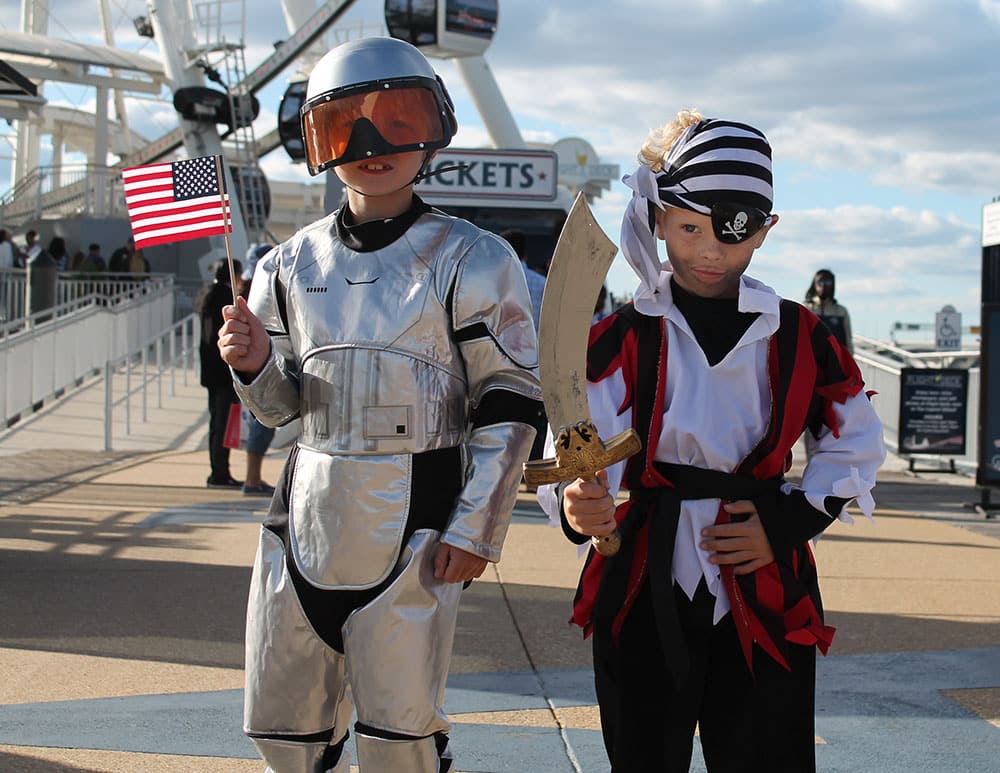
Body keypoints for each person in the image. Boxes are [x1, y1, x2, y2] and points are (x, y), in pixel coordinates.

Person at [216, 37, 541, 773]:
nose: (371, 144)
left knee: (400, 734)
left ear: (434, 127)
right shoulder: (286, 265)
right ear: (316, 144)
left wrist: (478, 525)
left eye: (397, 118)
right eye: (345, 126)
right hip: (303, 510)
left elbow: (511, 401)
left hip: (416, 514)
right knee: (282, 724)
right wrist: (254, 362)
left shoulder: (473, 258)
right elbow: (277, 410)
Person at [537, 110, 885, 773]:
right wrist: (579, 505)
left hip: (763, 571)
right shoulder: (618, 338)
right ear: (660, 218)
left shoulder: (801, 335)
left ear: (765, 230)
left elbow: (855, 439)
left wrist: (787, 522)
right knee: (642, 754)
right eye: (689, 227)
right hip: (640, 572)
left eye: (733, 232)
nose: (708, 251)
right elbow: (579, 445)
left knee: (767, 754)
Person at [500, 228, 549, 467]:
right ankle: (531, 465)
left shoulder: (492, 283)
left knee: (501, 419)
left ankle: (505, 465)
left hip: (501, 364)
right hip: (537, 364)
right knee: (534, 420)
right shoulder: (543, 284)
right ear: (526, 255)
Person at [196, 258, 244, 489]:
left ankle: (217, 469)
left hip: (210, 372)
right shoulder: (225, 298)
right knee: (224, 423)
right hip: (223, 373)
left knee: (217, 422)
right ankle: (220, 472)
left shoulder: (208, 295)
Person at [239, 243, 277, 498]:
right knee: (262, 423)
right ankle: (251, 480)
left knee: (263, 424)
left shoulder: (249, 286)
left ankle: (253, 478)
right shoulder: (258, 287)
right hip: (258, 365)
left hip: (260, 362)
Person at [804, 268, 853, 353]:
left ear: (832, 285)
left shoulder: (841, 311)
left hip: (835, 359)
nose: (823, 285)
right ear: (814, 284)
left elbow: (848, 341)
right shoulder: (807, 309)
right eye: (820, 282)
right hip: (812, 358)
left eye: (827, 282)